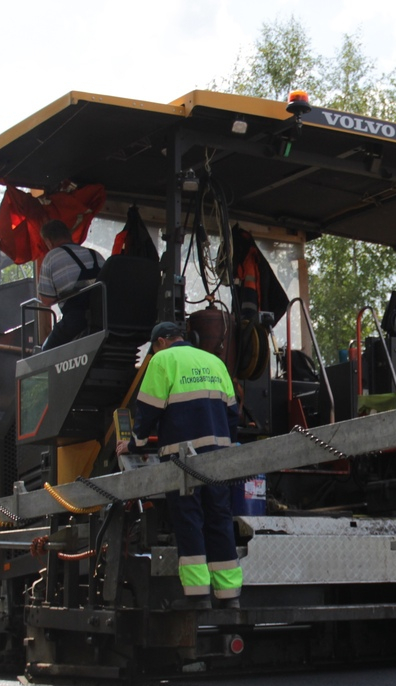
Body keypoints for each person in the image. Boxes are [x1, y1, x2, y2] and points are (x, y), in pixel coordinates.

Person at [116, 321, 242, 609]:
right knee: (219, 520)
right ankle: (229, 596)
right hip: (219, 457)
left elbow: (147, 411)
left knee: (190, 522)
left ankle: (198, 596)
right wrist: (224, 444)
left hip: (182, 460)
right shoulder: (213, 361)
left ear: (160, 342)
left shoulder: (162, 360)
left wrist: (134, 443)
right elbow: (233, 413)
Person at [35, 219, 104, 350]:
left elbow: (47, 300)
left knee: (45, 354)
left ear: (49, 241)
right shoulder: (95, 255)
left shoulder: (51, 257)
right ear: (69, 235)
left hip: (77, 319)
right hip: (105, 317)